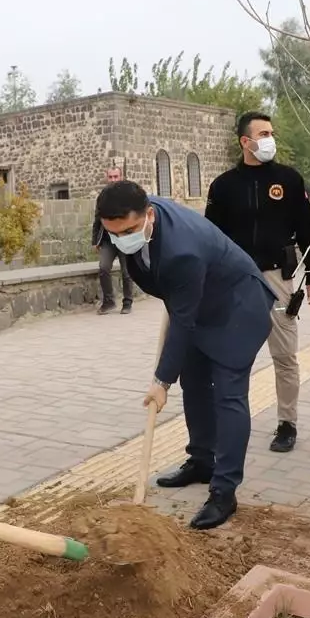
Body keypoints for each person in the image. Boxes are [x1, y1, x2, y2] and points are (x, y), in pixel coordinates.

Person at [96, 181, 275, 530]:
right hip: (194, 304)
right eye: (114, 233)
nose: (121, 239)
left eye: (130, 231)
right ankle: (202, 461)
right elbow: (180, 310)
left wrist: (160, 382)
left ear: (149, 214)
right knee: (193, 384)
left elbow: (181, 321)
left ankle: (224, 491)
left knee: (228, 396)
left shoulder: (183, 250)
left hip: (235, 309)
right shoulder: (119, 218)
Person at [205, 111, 310, 453]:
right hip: (236, 280)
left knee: (285, 356)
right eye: (263, 133)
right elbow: (211, 236)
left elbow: (307, 229)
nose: (270, 138)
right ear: (246, 141)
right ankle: (230, 419)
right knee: (232, 357)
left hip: (278, 279)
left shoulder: (289, 179)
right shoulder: (224, 186)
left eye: (272, 132)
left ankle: (287, 423)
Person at [91, 165, 134, 314]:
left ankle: (127, 303)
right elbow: (97, 219)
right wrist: (94, 241)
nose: (113, 179)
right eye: (110, 177)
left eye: (116, 176)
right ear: (107, 178)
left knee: (127, 271)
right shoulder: (102, 197)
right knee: (103, 268)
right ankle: (108, 302)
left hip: (125, 238)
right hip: (107, 240)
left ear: (121, 177)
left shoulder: (129, 195)